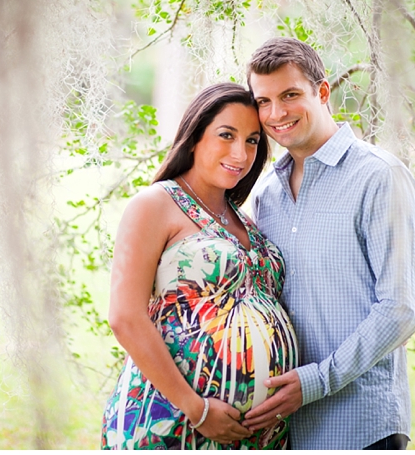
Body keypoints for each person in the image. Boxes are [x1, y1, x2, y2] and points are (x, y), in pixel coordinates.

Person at [241, 37, 415, 450]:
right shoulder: (267, 192)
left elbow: (402, 307)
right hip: (284, 430)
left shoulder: (380, 177)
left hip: (361, 424)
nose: (276, 113)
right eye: (264, 101)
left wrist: (315, 381)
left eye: (290, 95)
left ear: (322, 92)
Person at [101, 82, 299, 449]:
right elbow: (125, 316)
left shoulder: (245, 221)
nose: (240, 153)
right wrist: (198, 409)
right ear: (194, 138)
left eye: (253, 141)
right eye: (227, 135)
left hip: (254, 438)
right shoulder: (155, 204)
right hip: (172, 421)